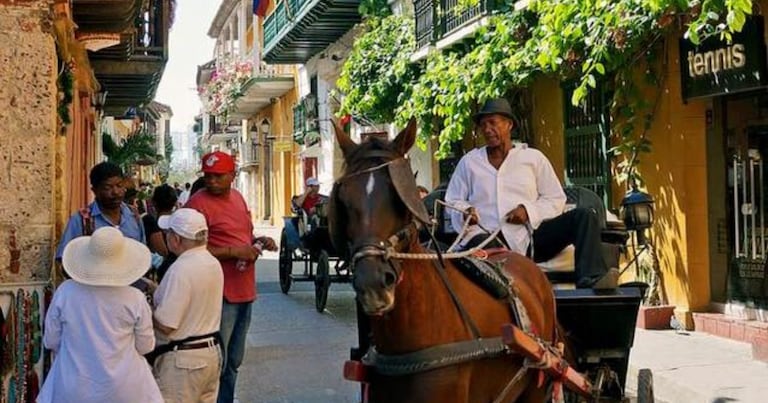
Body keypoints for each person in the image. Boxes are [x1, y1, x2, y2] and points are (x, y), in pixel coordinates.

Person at [445, 98, 618, 289]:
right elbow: (452, 200)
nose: (487, 129)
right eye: (483, 125)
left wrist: (528, 211)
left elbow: (555, 198)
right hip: (484, 239)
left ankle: (592, 279)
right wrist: (465, 211)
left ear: (509, 125)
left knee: (584, 216)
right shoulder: (469, 163)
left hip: (528, 239)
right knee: (484, 251)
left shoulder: (533, 158)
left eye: (493, 123)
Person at [185, 151, 277, 403]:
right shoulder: (196, 205)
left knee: (234, 360)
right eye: (208, 176)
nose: (212, 181)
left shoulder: (237, 198)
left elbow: (242, 235)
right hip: (218, 293)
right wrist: (232, 251)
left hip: (244, 289)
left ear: (232, 176)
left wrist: (258, 241)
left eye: (218, 176)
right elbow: (186, 249)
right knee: (217, 360)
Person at [38, 227, 162, 403]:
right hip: (125, 389)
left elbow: (51, 340)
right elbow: (146, 346)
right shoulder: (134, 298)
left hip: (74, 386)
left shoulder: (66, 292)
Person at [151, 208, 224, 403]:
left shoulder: (180, 268)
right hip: (210, 353)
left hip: (183, 361)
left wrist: (145, 309)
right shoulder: (212, 262)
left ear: (176, 239)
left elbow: (167, 324)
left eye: (168, 234)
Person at [143, 184, 178, 281]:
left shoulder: (148, 221)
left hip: (156, 275)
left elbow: (160, 252)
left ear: (153, 202)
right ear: (175, 203)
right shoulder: (180, 223)